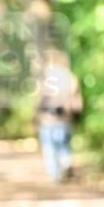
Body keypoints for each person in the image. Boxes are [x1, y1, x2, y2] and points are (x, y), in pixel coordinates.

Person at [36, 50, 83, 183]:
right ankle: (66, 162)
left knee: (50, 148)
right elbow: (77, 99)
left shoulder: (47, 78)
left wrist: (36, 115)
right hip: (66, 119)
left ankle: (56, 176)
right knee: (64, 145)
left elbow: (41, 99)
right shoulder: (71, 78)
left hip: (48, 119)